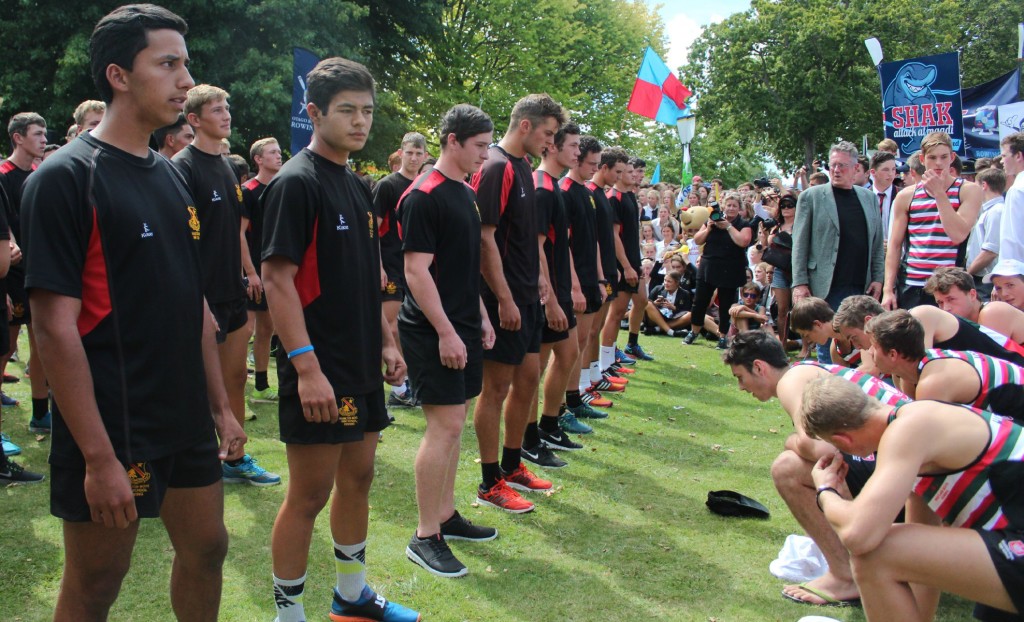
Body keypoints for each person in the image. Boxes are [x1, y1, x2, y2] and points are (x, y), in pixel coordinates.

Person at [21, 5, 247, 618]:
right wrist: (98, 458)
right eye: (168, 64)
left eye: (186, 64)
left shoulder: (171, 176)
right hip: (115, 423)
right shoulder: (67, 179)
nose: (184, 80)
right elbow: (53, 327)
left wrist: (221, 407)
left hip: (184, 416)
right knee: (98, 581)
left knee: (208, 548)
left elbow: (193, 303)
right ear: (120, 75)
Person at [261, 57, 420, 622]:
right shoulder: (295, 183)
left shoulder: (357, 185)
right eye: (347, 110)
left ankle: (351, 596)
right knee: (308, 495)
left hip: (358, 362)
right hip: (317, 368)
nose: (359, 122)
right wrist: (306, 368)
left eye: (367, 111)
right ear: (314, 113)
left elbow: (368, 276)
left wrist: (386, 341)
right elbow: (277, 281)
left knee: (360, 476)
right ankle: (289, 614)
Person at [800, 375, 1024, 620]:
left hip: (1015, 542)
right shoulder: (915, 424)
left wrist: (826, 492)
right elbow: (918, 544)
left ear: (843, 440)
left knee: (876, 555)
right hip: (1012, 540)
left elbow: (859, 536)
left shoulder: (908, 430)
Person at [723, 332, 911, 607]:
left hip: (906, 478)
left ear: (760, 367)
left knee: (787, 468)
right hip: (912, 473)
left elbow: (821, 450)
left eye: (740, 377)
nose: (741, 387)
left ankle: (847, 575)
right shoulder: (811, 371)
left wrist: (791, 441)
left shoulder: (791, 381)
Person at [399, 104, 498, 579]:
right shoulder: (424, 194)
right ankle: (424, 536)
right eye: (479, 146)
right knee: (445, 426)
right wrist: (445, 331)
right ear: (452, 141)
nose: (485, 154)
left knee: (456, 426)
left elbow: (463, 265)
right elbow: (416, 272)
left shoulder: (465, 191)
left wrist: (479, 316)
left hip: (462, 322)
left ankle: (445, 514)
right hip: (431, 328)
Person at [173, 84, 279, 486]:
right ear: (194, 120)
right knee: (202, 382)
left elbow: (235, 231)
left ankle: (235, 458)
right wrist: (195, 295)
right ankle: (198, 458)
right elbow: (180, 240)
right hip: (201, 296)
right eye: (216, 109)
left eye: (227, 107)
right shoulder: (182, 167)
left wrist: (249, 271)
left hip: (232, 289)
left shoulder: (226, 167)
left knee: (235, 377)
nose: (226, 114)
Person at [470, 93, 567, 514]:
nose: (549, 142)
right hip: (501, 299)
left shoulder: (523, 167)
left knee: (528, 378)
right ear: (525, 126)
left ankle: (512, 466)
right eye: (547, 133)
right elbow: (483, 237)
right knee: (495, 389)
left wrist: (542, 283)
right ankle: (489, 480)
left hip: (528, 296)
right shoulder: (494, 167)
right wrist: (505, 298)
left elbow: (531, 238)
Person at [526, 121, 594, 459]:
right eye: (573, 146)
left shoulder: (553, 186)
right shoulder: (542, 188)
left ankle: (548, 424)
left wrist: (574, 286)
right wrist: (549, 298)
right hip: (544, 294)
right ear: (552, 147)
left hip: (562, 290)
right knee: (532, 372)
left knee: (567, 354)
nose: (578, 152)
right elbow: (536, 249)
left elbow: (561, 244)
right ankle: (527, 439)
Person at [791, 141, 884, 363]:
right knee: (828, 345)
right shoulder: (812, 196)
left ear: (855, 169)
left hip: (861, 285)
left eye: (842, 165)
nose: (836, 170)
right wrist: (799, 283)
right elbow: (800, 243)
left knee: (863, 345)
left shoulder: (869, 198)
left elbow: (877, 244)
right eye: (832, 165)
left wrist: (879, 278)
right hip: (825, 286)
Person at [883, 132, 982, 310]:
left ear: (952, 158)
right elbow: (895, 245)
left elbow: (958, 234)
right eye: (932, 157)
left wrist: (939, 194)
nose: (938, 163)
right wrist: (888, 289)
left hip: (951, 285)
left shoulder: (968, 190)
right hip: (913, 283)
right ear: (922, 159)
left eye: (944, 157)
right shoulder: (906, 195)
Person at [866, 310, 1024, 416]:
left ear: (893, 354)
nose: (869, 352)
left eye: (874, 346)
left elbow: (929, 440)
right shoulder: (927, 360)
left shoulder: (932, 382)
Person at [559, 135, 615, 418]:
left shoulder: (587, 193)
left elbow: (592, 240)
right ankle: (569, 399)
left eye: (597, 163)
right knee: (570, 348)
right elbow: (563, 244)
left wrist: (601, 278)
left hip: (591, 279)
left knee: (581, 342)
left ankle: (576, 395)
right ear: (576, 159)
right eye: (591, 163)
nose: (595, 168)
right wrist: (576, 286)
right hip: (574, 282)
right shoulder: (565, 190)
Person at [1, 111, 51, 423]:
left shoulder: (40, 173)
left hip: (37, 271)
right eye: (37, 134)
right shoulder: (3, 175)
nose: (44, 139)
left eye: (45, 133)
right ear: (18, 137)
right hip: (10, 273)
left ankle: (40, 412)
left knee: (42, 343)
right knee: (5, 344)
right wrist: (10, 243)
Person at [375, 132, 426, 410]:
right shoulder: (387, 186)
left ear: (426, 156)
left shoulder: (426, 184)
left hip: (416, 267)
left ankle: (407, 381)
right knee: (389, 325)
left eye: (419, 154)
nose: (414, 158)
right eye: (410, 153)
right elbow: (372, 229)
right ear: (401, 153)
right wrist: (378, 265)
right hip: (390, 264)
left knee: (410, 327)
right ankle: (397, 387)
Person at [835, 295, 1024, 367]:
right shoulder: (896, 350)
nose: (855, 345)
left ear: (869, 321)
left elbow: (920, 368)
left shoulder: (920, 316)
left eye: (853, 337)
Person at [585, 146, 630, 406]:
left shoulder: (601, 194)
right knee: (590, 331)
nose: (620, 176)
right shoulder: (591, 193)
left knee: (596, 327)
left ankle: (594, 375)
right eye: (618, 171)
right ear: (604, 168)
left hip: (607, 270)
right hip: (597, 273)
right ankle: (584, 383)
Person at [241, 137, 283, 404]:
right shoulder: (248, 190)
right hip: (253, 271)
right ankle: (237, 388)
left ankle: (261, 384)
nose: (279, 156)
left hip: (275, 270)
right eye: (272, 152)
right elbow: (239, 235)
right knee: (244, 330)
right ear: (258, 159)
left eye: (279, 152)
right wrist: (250, 272)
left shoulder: (283, 186)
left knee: (267, 328)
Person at [683, 191, 753, 349]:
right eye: (728, 205)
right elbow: (697, 239)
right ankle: (694, 332)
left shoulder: (743, 224)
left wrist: (728, 226)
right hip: (709, 266)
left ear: (739, 208)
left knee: (726, 304)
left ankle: (723, 336)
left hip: (731, 268)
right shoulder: (712, 219)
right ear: (723, 206)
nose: (731, 208)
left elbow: (743, 241)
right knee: (699, 301)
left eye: (734, 206)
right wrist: (708, 228)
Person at [601, 156, 654, 362]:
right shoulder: (614, 198)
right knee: (617, 311)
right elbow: (614, 236)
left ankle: (631, 343)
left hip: (633, 260)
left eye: (637, 172)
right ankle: (608, 354)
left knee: (641, 300)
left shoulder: (631, 196)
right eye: (632, 172)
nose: (636, 175)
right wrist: (625, 265)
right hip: (620, 264)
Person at [924, 267, 1024, 345]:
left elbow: (989, 362)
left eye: (951, 299)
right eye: (940, 303)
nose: (946, 309)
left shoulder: (992, 311)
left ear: (972, 295)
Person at [759, 191, 797, 352]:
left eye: (790, 205)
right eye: (783, 206)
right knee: (782, 310)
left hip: (798, 270)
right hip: (780, 270)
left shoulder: (802, 224)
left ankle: (807, 346)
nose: (786, 208)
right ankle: (782, 344)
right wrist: (765, 233)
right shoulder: (776, 226)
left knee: (800, 309)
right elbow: (764, 248)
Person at [790, 297, 869, 370]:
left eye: (807, 335)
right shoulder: (835, 348)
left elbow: (870, 369)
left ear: (818, 324)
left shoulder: (856, 330)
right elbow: (840, 373)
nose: (807, 340)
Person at [966, 167, 1006, 298]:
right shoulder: (989, 210)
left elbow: (990, 252)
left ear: (983, 185)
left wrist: (968, 273)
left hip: (986, 279)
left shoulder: (996, 211)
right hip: (981, 277)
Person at [998, 132, 1024, 264]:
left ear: (1018, 155)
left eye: (1004, 156)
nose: (1001, 161)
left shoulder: (1018, 189)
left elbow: (1012, 240)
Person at [868, 151, 898, 244]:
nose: (890, 174)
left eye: (893, 169)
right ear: (873, 172)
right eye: (886, 170)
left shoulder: (901, 195)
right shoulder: (865, 196)